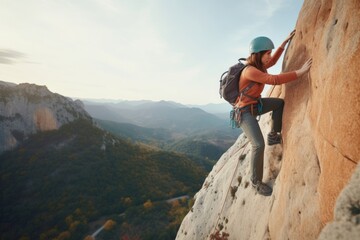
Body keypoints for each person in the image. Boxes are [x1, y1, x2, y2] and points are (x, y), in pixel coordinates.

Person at [235, 30, 312, 196]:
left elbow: (274, 62)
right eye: (267, 53)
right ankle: (255, 182)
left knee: (278, 103)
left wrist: (283, 45)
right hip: (244, 112)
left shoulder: (259, 66)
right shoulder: (250, 71)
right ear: (259, 54)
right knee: (258, 145)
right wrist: (300, 72)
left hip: (256, 105)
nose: (270, 56)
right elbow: (274, 80)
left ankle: (274, 135)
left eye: (270, 52)